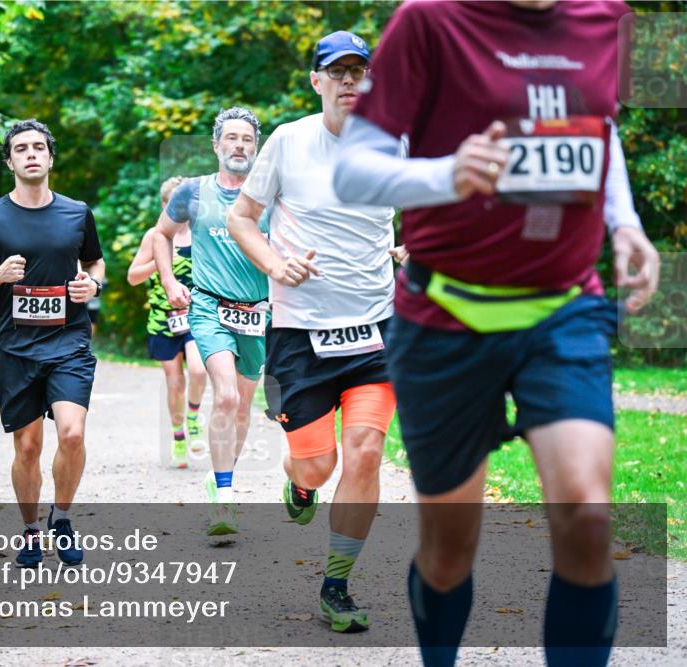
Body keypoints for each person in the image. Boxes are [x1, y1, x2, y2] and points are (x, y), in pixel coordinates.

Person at [331, 2, 660, 664]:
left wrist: (624, 222)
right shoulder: (428, 22)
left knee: (588, 519)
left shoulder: (609, 18)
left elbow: (602, 129)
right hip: (445, 317)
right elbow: (353, 170)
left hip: (562, 308)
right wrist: (445, 174)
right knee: (450, 550)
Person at [226, 31, 399, 633]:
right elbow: (241, 217)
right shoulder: (289, 141)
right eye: (338, 72)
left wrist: (414, 247)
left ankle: (337, 583)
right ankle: (299, 487)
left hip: (375, 330)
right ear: (317, 80)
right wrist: (274, 264)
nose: (350, 82)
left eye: (359, 71)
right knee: (318, 467)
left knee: (366, 452)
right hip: (301, 334)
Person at [0, 119, 105, 568]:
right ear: (10, 162)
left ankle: (61, 517)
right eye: (21, 149)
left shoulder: (77, 212)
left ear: (50, 157)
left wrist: (92, 287)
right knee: (27, 448)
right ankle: (30, 530)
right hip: (16, 348)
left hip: (69, 341)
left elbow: (95, 262)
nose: (31, 154)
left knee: (73, 433)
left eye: (39, 147)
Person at [152, 107, 270, 536]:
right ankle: (224, 499)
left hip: (258, 312)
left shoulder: (269, 194)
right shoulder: (192, 192)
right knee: (225, 399)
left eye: (247, 140)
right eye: (232, 138)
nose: (239, 146)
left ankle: (221, 477)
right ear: (216, 145)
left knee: (241, 409)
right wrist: (169, 282)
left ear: (255, 148)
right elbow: (160, 235)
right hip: (208, 307)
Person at [127, 175, 207, 468]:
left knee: (199, 370)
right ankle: (178, 437)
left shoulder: (202, 234)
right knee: (175, 384)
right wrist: (162, 262)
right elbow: (133, 277)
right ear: (164, 205)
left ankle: (194, 416)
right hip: (163, 320)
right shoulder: (154, 236)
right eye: (174, 202)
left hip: (196, 315)